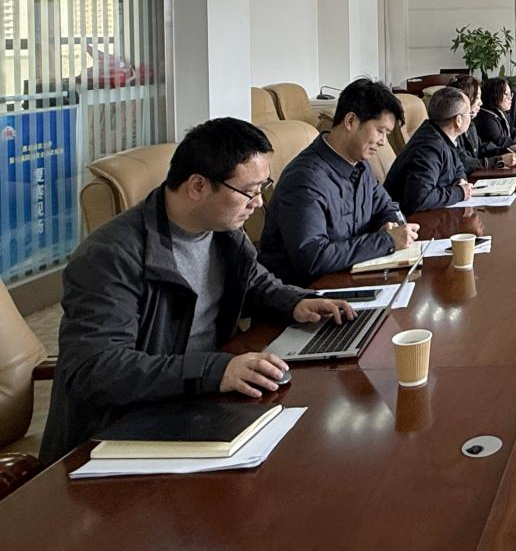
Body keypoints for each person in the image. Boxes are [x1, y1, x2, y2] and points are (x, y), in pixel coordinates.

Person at [41, 118, 355, 462]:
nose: (258, 203)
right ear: (198, 186)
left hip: (199, 398)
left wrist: (297, 302)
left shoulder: (224, 232)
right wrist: (215, 370)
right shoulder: (110, 256)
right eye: (249, 191)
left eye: (263, 187)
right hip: (121, 429)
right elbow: (97, 368)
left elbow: (255, 283)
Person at [259, 78, 419, 285]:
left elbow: (386, 206)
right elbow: (314, 259)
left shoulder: (360, 166)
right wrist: (386, 241)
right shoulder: (305, 179)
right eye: (380, 131)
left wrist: (392, 225)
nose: (382, 142)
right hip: (309, 294)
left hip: (351, 278)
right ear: (351, 121)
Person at [385, 86, 474, 214]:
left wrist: (461, 181)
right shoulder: (429, 147)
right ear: (458, 120)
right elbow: (419, 198)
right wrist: (460, 192)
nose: (471, 117)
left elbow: (458, 168)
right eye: (470, 114)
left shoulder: (442, 136)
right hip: (410, 220)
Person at [450, 74, 516, 174]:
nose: (481, 103)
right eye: (477, 98)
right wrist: (499, 160)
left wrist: (508, 149)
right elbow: (465, 163)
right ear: (464, 100)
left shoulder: (470, 124)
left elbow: (481, 148)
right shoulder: (452, 128)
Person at [475, 77, 516, 155]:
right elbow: (501, 142)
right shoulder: (486, 118)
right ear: (494, 95)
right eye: (506, 94)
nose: (510, 98)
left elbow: (512, 131)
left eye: (510, 94)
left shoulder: (501, 113)